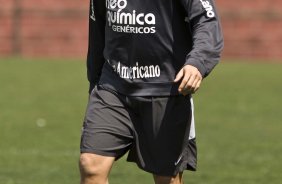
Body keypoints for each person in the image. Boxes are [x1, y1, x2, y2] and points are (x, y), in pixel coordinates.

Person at [79, 0, 224, 183]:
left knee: (167, 179)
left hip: (167, 90)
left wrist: (197, 63)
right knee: (90, 165)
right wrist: (94, 83)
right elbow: (98, 31)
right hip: (112, 88)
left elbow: (207, 21)